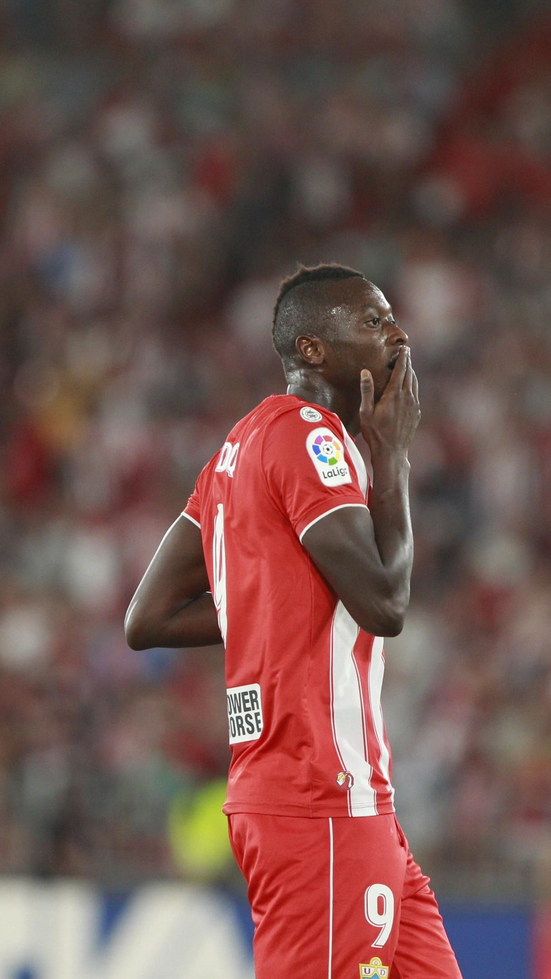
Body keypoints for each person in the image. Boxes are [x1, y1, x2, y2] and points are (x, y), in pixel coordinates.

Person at [126, 264, 461, 978]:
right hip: (321, 797)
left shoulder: (235, 450)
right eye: (372, 320)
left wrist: (265, 597)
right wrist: (393, 454)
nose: (397, 333)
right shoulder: (313, 437)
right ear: (314, 350)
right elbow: (384, 603)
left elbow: (147, 616)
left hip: (332, 797)